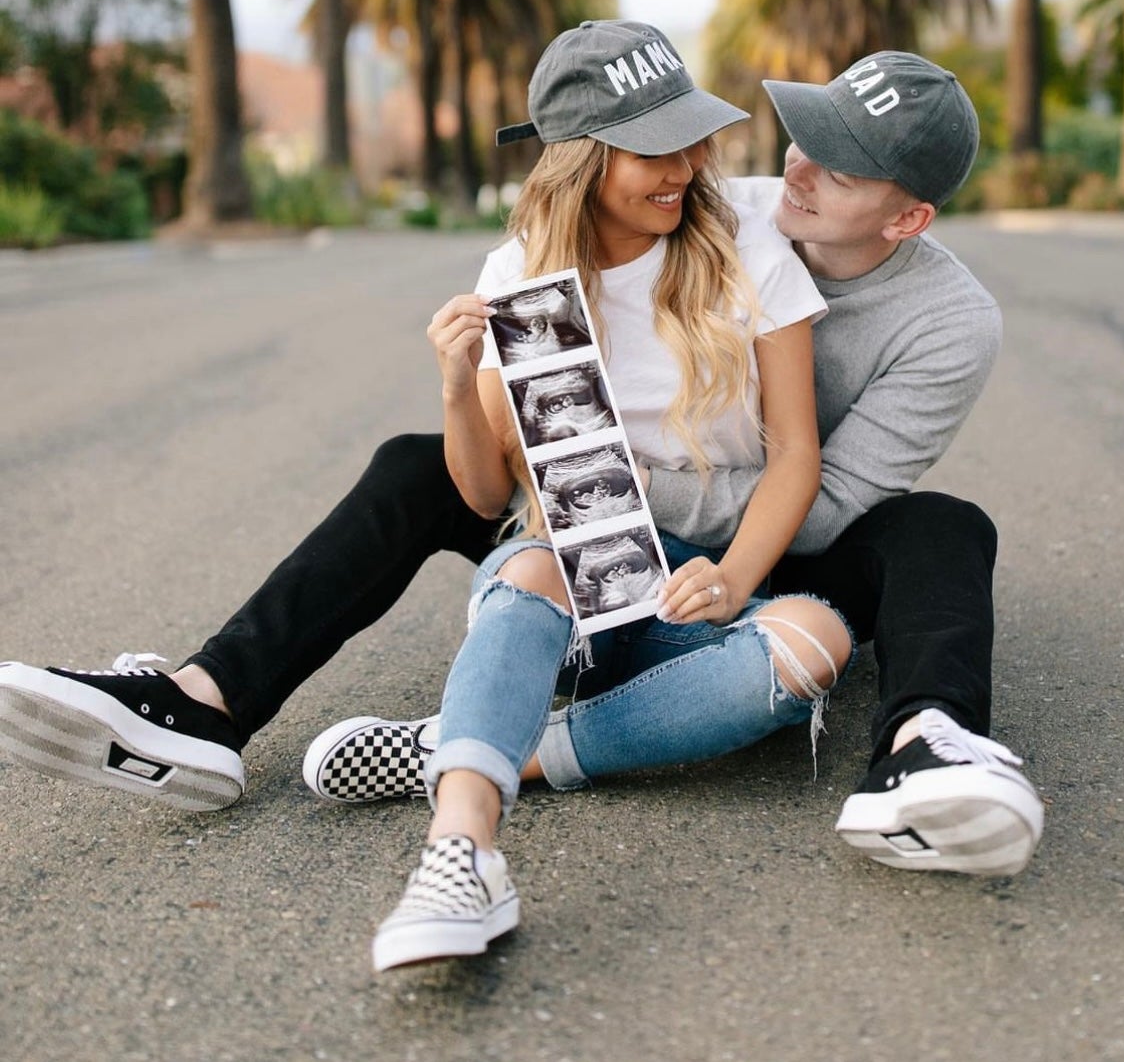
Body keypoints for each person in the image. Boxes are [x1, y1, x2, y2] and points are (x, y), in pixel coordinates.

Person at [0, 44, 1042, 880]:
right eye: (804, 136)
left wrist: (645, 505)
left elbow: (823, 503)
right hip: (599, 515)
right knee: (416, 463)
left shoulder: (950, 320)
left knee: (943, 526)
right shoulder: (734, 205)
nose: (798, 170)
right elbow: (578, 263)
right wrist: (539, 428)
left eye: (841, 167)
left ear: (907, 217)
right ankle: (203, 699)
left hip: (768, 537)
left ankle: (926, 743)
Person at [370, 19, 851, 970]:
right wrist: (456, 382)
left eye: (692, 137)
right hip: (572, 571)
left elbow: (798, 450)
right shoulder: (521, 277)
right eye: (653, 150)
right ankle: (459, 849)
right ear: (585, 160)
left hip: (691, 581)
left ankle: (508, 743)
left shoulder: (741, 247)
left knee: (815, 644)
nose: (686, 165)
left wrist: (735, 572)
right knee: (542, 562)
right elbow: (481, 490)